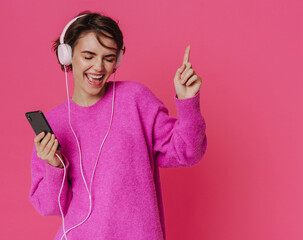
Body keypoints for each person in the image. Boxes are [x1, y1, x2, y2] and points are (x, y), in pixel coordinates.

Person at [29, 11, 207, 240]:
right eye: (89, 56)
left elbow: (188, 152)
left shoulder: (135, 99)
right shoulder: (54, 123)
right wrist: (54, 166)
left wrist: (187, 102)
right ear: (67, 55)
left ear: (117, 61)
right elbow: (49, 207)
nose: (98, 67)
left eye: (109, 58)